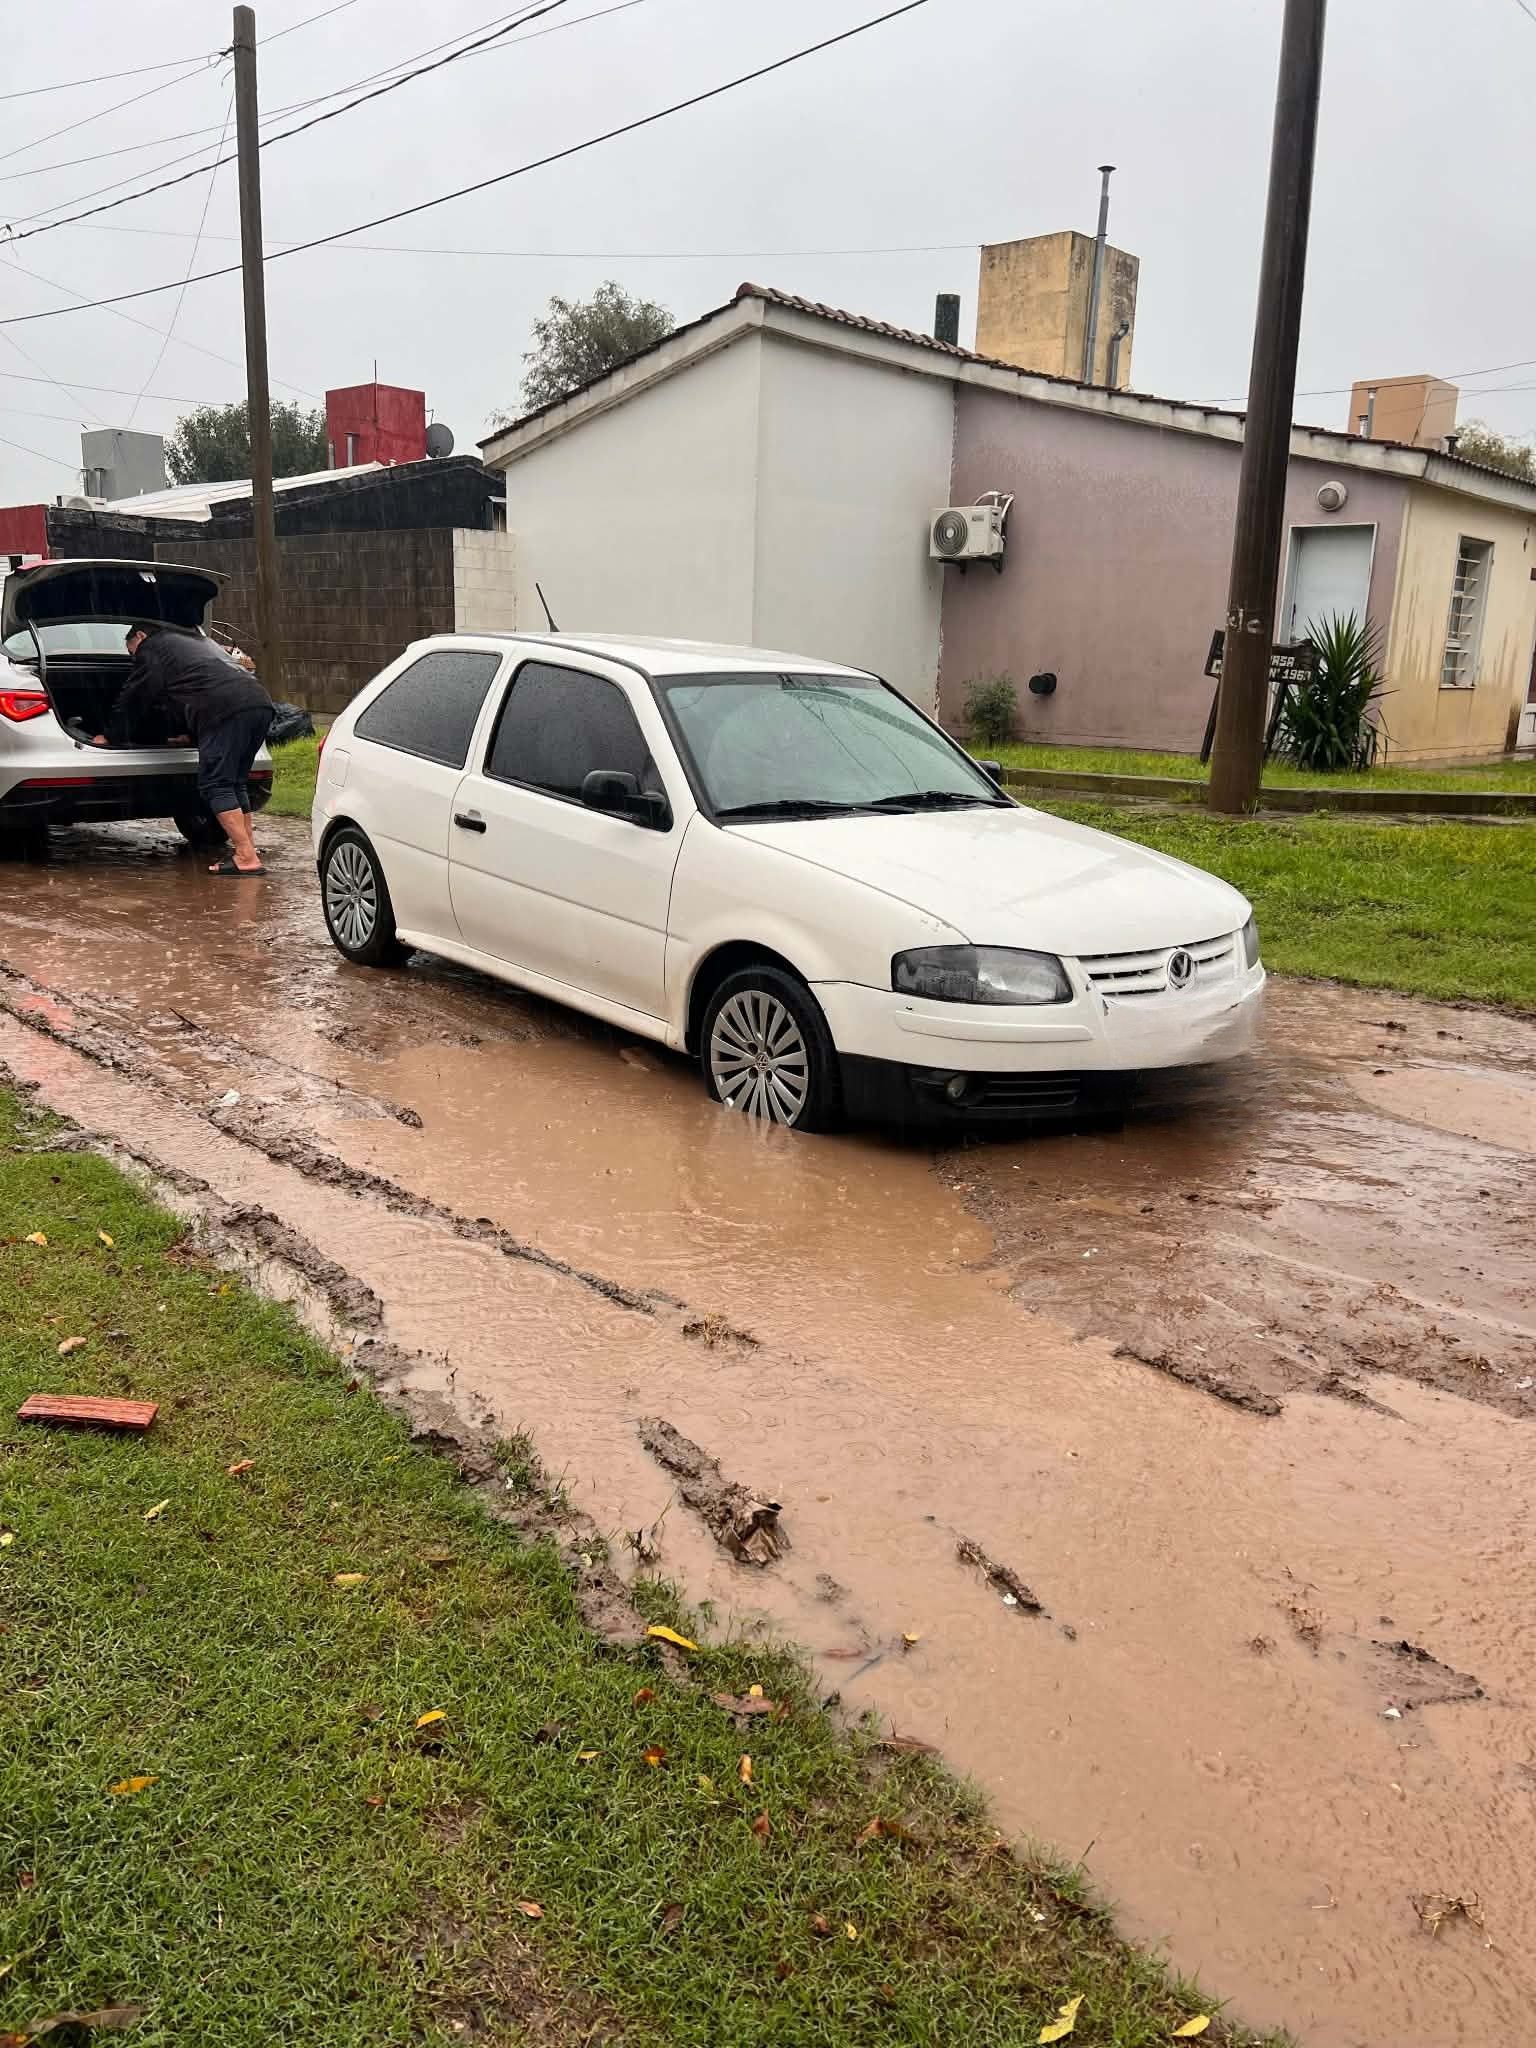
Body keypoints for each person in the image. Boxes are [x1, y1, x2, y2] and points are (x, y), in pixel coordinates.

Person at [94, 624, 275, 876]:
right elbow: (193, 687)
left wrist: (110, 735)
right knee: (235, 781)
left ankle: (246, 857)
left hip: (224, 708)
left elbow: (135, 696)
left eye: (131, 651)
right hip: (259, 702)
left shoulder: (152, 648)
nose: (133, 658)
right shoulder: (194, 644)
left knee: (216, 783)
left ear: (140, 636)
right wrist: (189, 735)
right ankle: (247, 852)